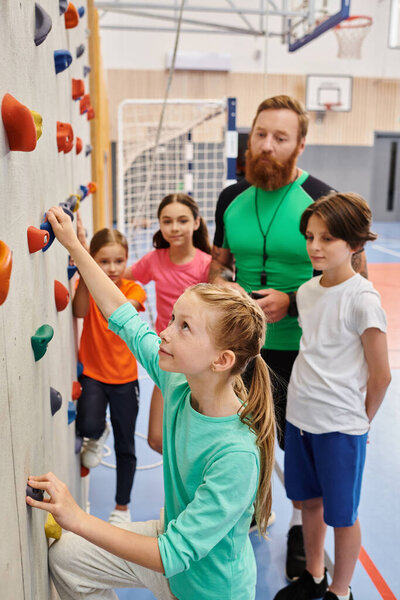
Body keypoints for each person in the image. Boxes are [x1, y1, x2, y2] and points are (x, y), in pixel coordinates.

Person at [26, 205, 276, 600]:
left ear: (221, 360)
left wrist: (76, 517)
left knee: (80, 537)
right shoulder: (178, 379)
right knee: (68, 557)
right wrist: (74, 244)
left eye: (184, 327)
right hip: (170, 554)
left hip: (207, 590)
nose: (165, 333)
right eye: (173, 319)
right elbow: (123, 316)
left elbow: (173, 554)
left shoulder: (236, 454)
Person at [209, 94, 368, 581]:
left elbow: (352, 276)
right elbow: (219, 264)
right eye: (261, 134)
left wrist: (292, 301)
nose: (267, 146)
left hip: (305, 349)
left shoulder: (320, 197)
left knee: (304, 447)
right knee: (241, 436)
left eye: (280, 137)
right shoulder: (230, 198)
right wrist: (222, 287)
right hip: (241, 345)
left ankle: (303, 531)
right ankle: (247, 516)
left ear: (300, 143)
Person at [273, 191, 391, 600]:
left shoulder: (363, 299)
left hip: (340, 428)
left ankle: (340, 591)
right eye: (310, 237)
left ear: (355, 244)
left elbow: (381, 376)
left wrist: (361, 423)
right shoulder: (306, 293)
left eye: (327, 238)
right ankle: (315, 574)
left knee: (342, 515)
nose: (314, 247)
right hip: (300, 416)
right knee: (309, 504)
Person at [124, 193, 212, 454]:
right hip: (169, 360)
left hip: (200, 363)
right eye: (167, 221)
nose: (174, 228)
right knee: (157, 439)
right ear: (160, 225)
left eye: (182, 220)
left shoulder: (207, 265)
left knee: (200, 436)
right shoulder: (155, 260)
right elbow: (119, 278)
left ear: (196, 223)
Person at [73, 222, 146, 524]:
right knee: (88, 424)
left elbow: (126, 306)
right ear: (93, 260)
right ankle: (97, 432)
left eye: (119, 261)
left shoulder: (132, 288)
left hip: (125, 380)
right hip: (93, 373)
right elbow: (78, 311)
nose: (113, 268)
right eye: (103, 261)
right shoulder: (87, 286)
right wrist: (85, 269)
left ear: (127, 260)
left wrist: (97, 276)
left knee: (125, 444)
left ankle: (122, 508)